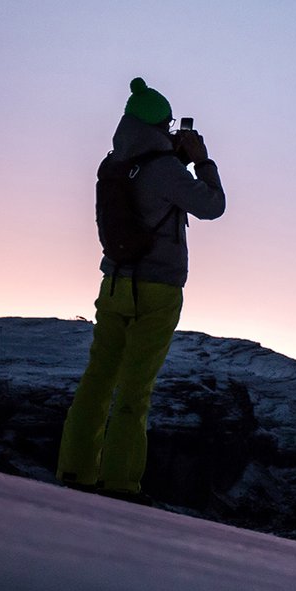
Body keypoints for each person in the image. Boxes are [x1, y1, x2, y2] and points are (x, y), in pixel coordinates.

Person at [57, 77, 225, 503]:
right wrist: (202, 161)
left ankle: (75, 469)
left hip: (113, 283)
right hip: (157, 289)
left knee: (97, 380)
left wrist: (172, 158)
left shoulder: (113, 163)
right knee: (135, 387)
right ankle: (120, 482)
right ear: (159, 126)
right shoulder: (167, 169)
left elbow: (145, 190)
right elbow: (212, 206)